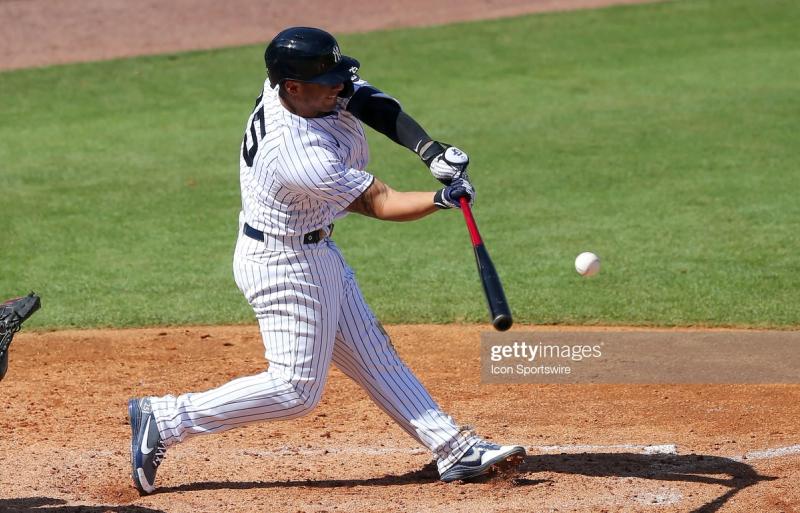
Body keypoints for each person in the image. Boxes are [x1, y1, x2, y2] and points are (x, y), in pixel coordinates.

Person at [127, 26, 524, 494]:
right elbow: (379, 201)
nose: (341, 87)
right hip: (283, 264)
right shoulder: (298, 154)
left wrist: (429, 150)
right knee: (296, 390)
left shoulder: (298, 90)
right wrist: (443, 197)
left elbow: (368, 100)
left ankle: (454, 449)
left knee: (375, 355)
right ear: (292, 87)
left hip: (313, 251)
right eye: (329, 80)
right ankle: (168, 418)